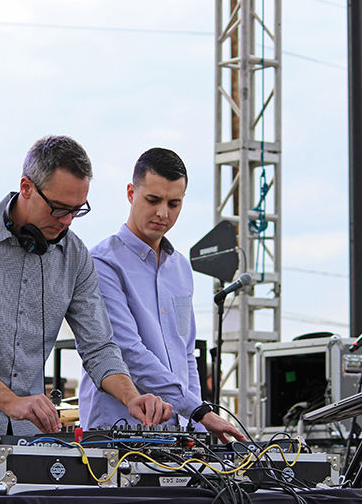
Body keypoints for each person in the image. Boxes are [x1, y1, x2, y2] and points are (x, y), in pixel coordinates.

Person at [0, 135, 172, 444]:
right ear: (26, 187)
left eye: (77, 210)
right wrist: (11, 401)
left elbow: (99, 347)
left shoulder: (75, 256)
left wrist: (132, 397)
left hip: (27, 430)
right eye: (58, 208)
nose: (66, 222)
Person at [78, 147, 246, 443]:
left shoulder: (181, 267)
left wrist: (197, 424)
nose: (162, 213)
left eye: (174, 203)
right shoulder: (102, 263)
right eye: (153, 200)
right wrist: (199, 411)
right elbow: (128, 352)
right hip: (119, 432)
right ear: (131, 193)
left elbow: (186, 355)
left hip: (177, 432)